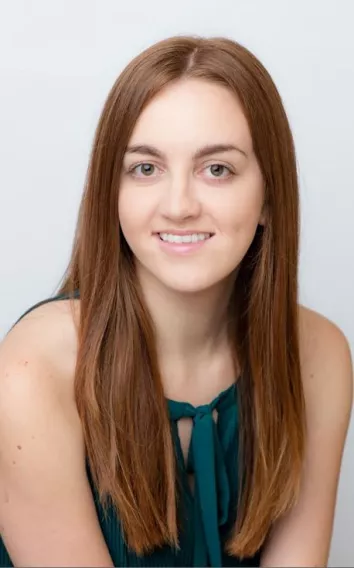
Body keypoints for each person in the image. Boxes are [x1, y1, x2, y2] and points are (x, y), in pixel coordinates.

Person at [0, 35, 352, 568]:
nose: (179, 205)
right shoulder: (33, 371)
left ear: (269, 199)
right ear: (110, 192)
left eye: (217, 169)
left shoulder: (319, 356)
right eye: (145, 168)